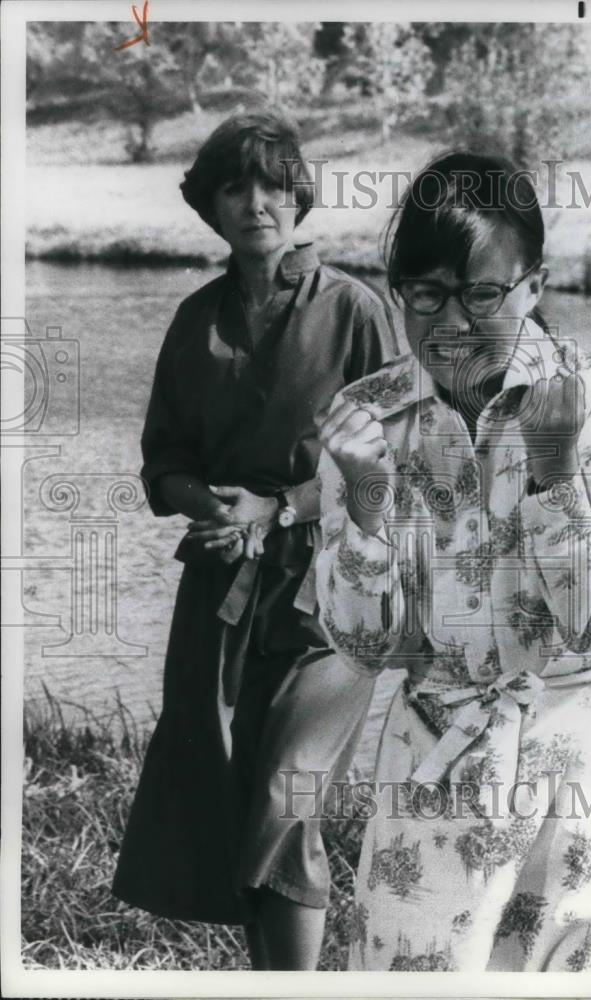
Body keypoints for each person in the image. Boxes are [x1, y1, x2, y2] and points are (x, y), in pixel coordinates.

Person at [315, 150, 591, 971]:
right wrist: (366, 501)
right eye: (426, 294)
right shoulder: (367, 418)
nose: (453, 323)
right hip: (434, 765)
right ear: (396, 290)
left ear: (534, 286)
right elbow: (365, 648)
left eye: (482, 294)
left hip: (581, 762)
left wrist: (553, 469)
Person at [111, 111, 400, 970]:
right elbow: (163, 459)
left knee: (286, 799)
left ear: (299, 195)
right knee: (237, 807)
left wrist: (278, 508)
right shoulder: (194, 318)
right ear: (210, 205)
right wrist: (210, 503)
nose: (256, 204)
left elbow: (400, 463)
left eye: (273, 185)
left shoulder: (355, 310)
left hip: (331, 595)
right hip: (219, 590)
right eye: (235, 188)